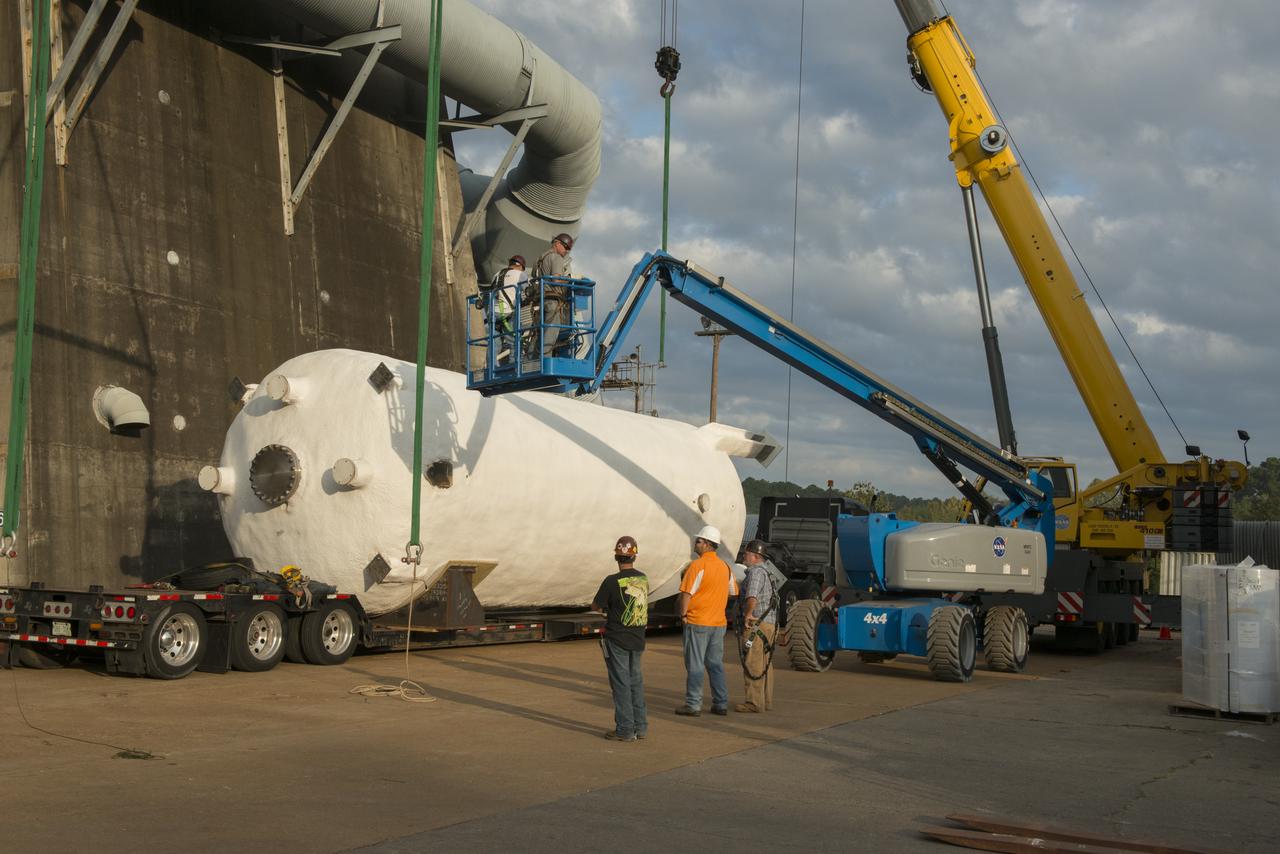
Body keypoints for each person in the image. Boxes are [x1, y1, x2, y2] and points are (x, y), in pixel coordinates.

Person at [676, 525, 738, 717]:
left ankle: (693, 704)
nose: (695, 543)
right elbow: (733, 592)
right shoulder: (725, 567)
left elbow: (686, 594)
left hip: (698, 622)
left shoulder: (697, 566)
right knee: (715, 664)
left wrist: (683, 615)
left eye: (698, 541)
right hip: (718, 624)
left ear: (707, 544)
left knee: (695, 664)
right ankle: (720, 703)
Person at [591, 535, 649, 742]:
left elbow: (596, 605)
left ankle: (625, 729)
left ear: (616, 557)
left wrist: (607, 609)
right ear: (634, 556)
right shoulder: (643, 579)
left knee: (621, 684)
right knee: (635, 682)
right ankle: (640, 727)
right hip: (637, 638)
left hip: (617, 639)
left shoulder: (611, 581)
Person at [736, 539, 780, 713]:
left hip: (757, 624)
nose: (743, 556)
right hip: (769, 624)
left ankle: (753, 703)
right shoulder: (768, 573)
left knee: (753, 663)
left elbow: (752, 596)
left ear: (755, 556)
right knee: (765, 664)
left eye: (746, 553)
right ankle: (765, 701)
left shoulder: (755, 572)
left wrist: (748, 614)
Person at [532, 233, 575, 357]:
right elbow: (556, 280)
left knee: (537, 334)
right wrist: (570, 279)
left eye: (569, 249)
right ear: (557, 243)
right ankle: (545, 359)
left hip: (539, 301)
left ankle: (531, 361)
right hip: (552, 301)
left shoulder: (539, 259)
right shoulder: (556, 258)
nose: (567, 251)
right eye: (565, 247)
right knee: (551, 333)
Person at [485, 255, 527, 364]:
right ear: (520, 266)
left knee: (494, 343)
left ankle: (491, 367)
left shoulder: (496, 274)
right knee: (514, 341)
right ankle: (515, 366)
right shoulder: (520, 274)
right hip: (508, 312)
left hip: (493, 313)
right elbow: (528, 292)